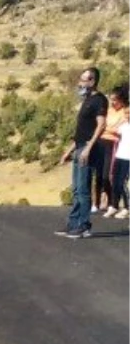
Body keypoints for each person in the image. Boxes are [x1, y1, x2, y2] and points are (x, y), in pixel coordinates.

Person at [57, 66, 108, 238]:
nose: (80, 83)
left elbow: (101, 125)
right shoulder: (87, 100)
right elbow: (82, 130)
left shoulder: (99, 100)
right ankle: (73, 223)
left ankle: (84, 226)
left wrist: (88, 148)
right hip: (79, 147)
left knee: (84, 189)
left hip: (88, 149)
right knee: (77, 189)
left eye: (84, 80)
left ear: (93, 81)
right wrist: (68, 151)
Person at [97, 83, 128, 214]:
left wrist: (105, 128)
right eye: (112, 99)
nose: (113, 102)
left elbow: (118, 130)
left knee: (109, 174)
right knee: (101, 175)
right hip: (101, 142)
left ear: (122, 100)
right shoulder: (109, 109)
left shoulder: (125, 112)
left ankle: (117, 204)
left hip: (113, 144)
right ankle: (110, 202)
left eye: (115, 100)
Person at [111, 85, 130, 217]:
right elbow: (114, 129)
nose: (127, 115)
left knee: (123, 182)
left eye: (129, 113)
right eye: (126, 112)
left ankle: (127, 207)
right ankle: (115, 205)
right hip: (119, 156)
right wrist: (123, 120)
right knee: (116, 181)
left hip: (128, 158)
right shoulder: (124, 125)